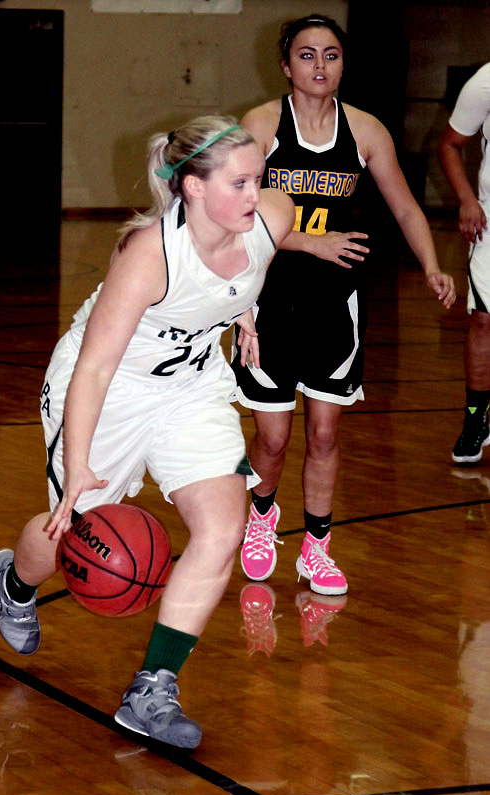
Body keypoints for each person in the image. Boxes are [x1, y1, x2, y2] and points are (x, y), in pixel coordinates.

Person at [0, 114, 295, 749]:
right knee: (75, 527)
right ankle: (15, 581)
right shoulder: (150, 254)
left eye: (258, 178)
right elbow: (95, 367)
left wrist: (244, 311)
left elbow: (247, 270)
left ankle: (153, 688)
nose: (256, 192)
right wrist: (78, 464)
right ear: (194, 188)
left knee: (223, 528)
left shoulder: (273, 214)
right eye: (239, 183)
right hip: (112, 388)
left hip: (190, 385)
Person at [232, 14, 456, 594]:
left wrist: (432, 264)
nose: (320, 65)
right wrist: (310, 242)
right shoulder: (261, 125)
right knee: (273, 440)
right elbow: (235, 214)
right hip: (268, 298)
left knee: (326, 434)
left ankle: (317, 548)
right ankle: (262, 517)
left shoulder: (365, 130)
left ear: (342, 64)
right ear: (286, 66)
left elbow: (404, 206)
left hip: (335, 301)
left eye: (330, 55)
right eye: (307, 55)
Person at [438, 63, 490, 463]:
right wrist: (467, 200)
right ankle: (475, 418)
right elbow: (450, 144)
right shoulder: (486, 80)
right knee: (484, 321)